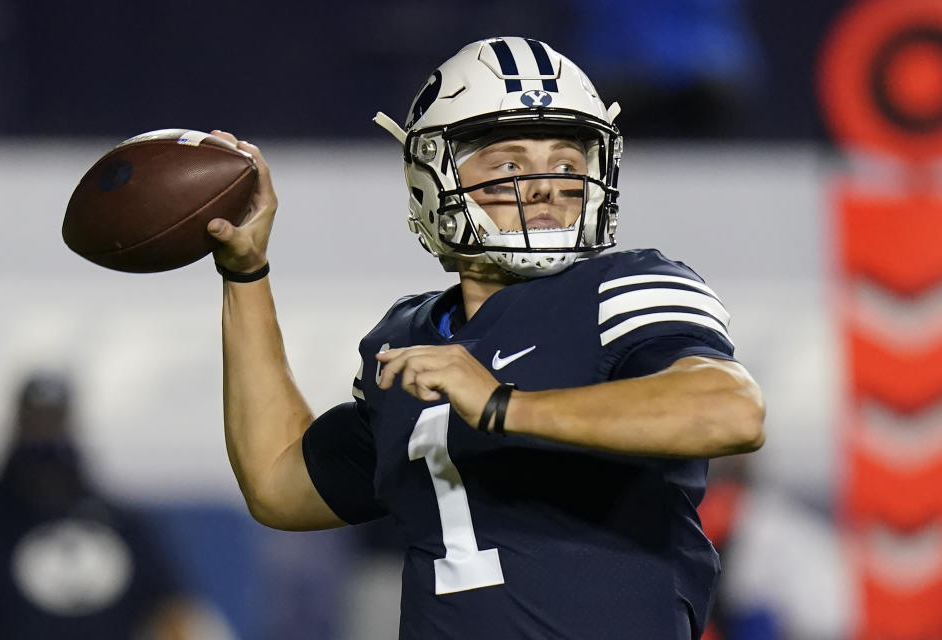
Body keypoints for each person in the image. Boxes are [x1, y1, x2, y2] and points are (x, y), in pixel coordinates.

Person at [206, 37, 766, 640]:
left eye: (567, 163)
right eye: (508, 165)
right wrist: (244, 273)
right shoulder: (408, 339)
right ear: (434, 176)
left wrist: (504, 405)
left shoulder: (623, 285)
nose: (547, 185)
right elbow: (279, 485)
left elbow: (730, 409)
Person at [0, 372, 227, 640]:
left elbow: (171, 606)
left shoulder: (118, 522)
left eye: (52, 420)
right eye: (36, 421)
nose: (44, 433)